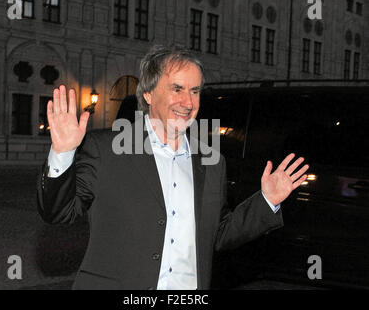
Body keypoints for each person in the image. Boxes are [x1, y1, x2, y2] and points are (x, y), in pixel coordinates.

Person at [37, 45, 309, 290]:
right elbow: (58, 212)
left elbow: (217, 235)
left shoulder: (212, 162)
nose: (188, 103)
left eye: (194, 91)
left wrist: (266, 201)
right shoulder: (106, 149)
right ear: (149, 95)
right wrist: (62, 153)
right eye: (177, 89)